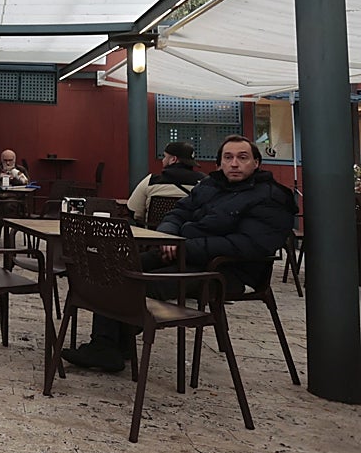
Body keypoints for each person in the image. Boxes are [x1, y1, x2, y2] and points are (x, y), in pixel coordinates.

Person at [62, 135, 297, 373]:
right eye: (228, 157)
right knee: (115, 267)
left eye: (242, 157)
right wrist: (168, 236)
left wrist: (184, 246)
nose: (234, 163)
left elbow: (249, 245)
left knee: (138, 284)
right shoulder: (210, 185)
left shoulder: (271, 197)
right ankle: (111, 346)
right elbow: (177, 213)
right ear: (219, 163)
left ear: (256, 163)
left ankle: (111, 345)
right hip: (183, 254)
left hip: (225, 270)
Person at [125, 140, 202, 224]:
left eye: (165, 157)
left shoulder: (151, 181)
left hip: (154, 234)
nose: (163, 160)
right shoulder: (203, 184)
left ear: (173, 159)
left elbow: (134, 212)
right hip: (189, 235)